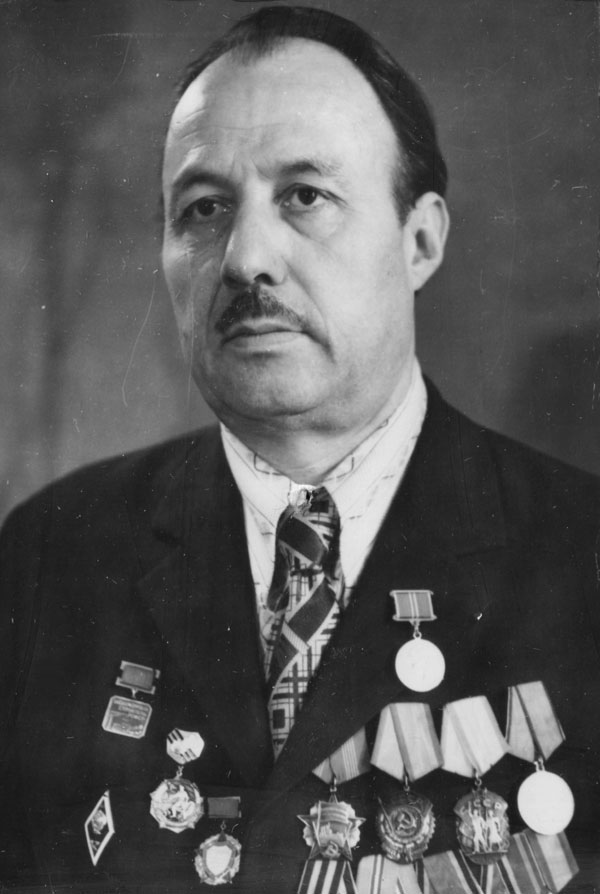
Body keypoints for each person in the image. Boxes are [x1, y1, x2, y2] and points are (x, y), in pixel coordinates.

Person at [1, 6, 599, 893]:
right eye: (204, 209)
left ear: (421, 240)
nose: (246, 257)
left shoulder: (583, 554)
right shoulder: (49, 556)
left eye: (305, 196)